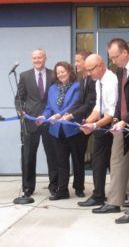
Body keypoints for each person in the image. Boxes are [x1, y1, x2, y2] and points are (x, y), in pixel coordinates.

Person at [93, 38, 129, 223]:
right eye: (110, 57)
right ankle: (114, 201)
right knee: (117, 162)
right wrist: (118, 117)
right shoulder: (120, 71)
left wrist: (126, 120)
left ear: (125, 52)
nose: (113, 61)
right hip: (123, 124)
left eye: (115, 57)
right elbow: (121, 100)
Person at [15, 49, 58, 198]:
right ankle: (28, 187)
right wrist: (20, 111)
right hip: (30, 122)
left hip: (48, 121)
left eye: (40, 57)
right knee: (28, 155)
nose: (37, 60)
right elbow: (19, 98)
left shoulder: (53, 75)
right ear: (31, 59)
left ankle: (54, 186)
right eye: (35, 58)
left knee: (52, 155)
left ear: (45, 58)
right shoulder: (24, 76)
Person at [78, 54, 118, 208]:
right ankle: (99, 194)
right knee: (99, 160)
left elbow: (111, 112)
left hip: (110, 125)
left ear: (100, 65)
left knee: (110, 162)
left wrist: (94, 125)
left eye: (91, 69)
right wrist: (87, 121)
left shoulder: (110, 81)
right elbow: (98, 107)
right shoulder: (98, 81)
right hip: (102, 124)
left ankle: (114, 195)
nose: (88, 73)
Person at [37, 61, 80, 200]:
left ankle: (79, 188)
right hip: (56, 130)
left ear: (69, 71)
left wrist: (59, 115)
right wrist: (44, 116)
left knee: (77, 160)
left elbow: (74, 105)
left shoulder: (76, 86)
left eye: (63, 71)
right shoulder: (53, 88)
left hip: (72, 129)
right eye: (58, 72)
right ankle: (62, 191)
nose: (60, 74)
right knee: (61, 161)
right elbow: (49, 107)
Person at [61, 50, 96, 197]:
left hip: (93, 123)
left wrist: (72, 115)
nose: (75, 64)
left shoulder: (94, 80)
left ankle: (87, 189)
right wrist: (67, 113)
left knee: (94, 159)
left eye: (78, 61)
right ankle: (79, 187)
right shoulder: (82, 79)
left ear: (86, 62)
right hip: (81, 124)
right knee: (79, 156)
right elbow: (79, 102)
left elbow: (89, 104)